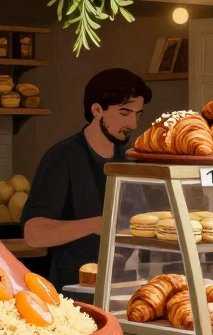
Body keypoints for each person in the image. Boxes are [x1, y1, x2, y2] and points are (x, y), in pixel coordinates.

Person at [23, 69, 152, 290]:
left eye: (137, 114)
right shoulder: (62, 158)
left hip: (128, 288)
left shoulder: (131, 160)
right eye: (125, 113)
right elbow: (33, 233)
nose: (133, 124)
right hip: (72, 294)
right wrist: (97, 224)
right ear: (97, 110)